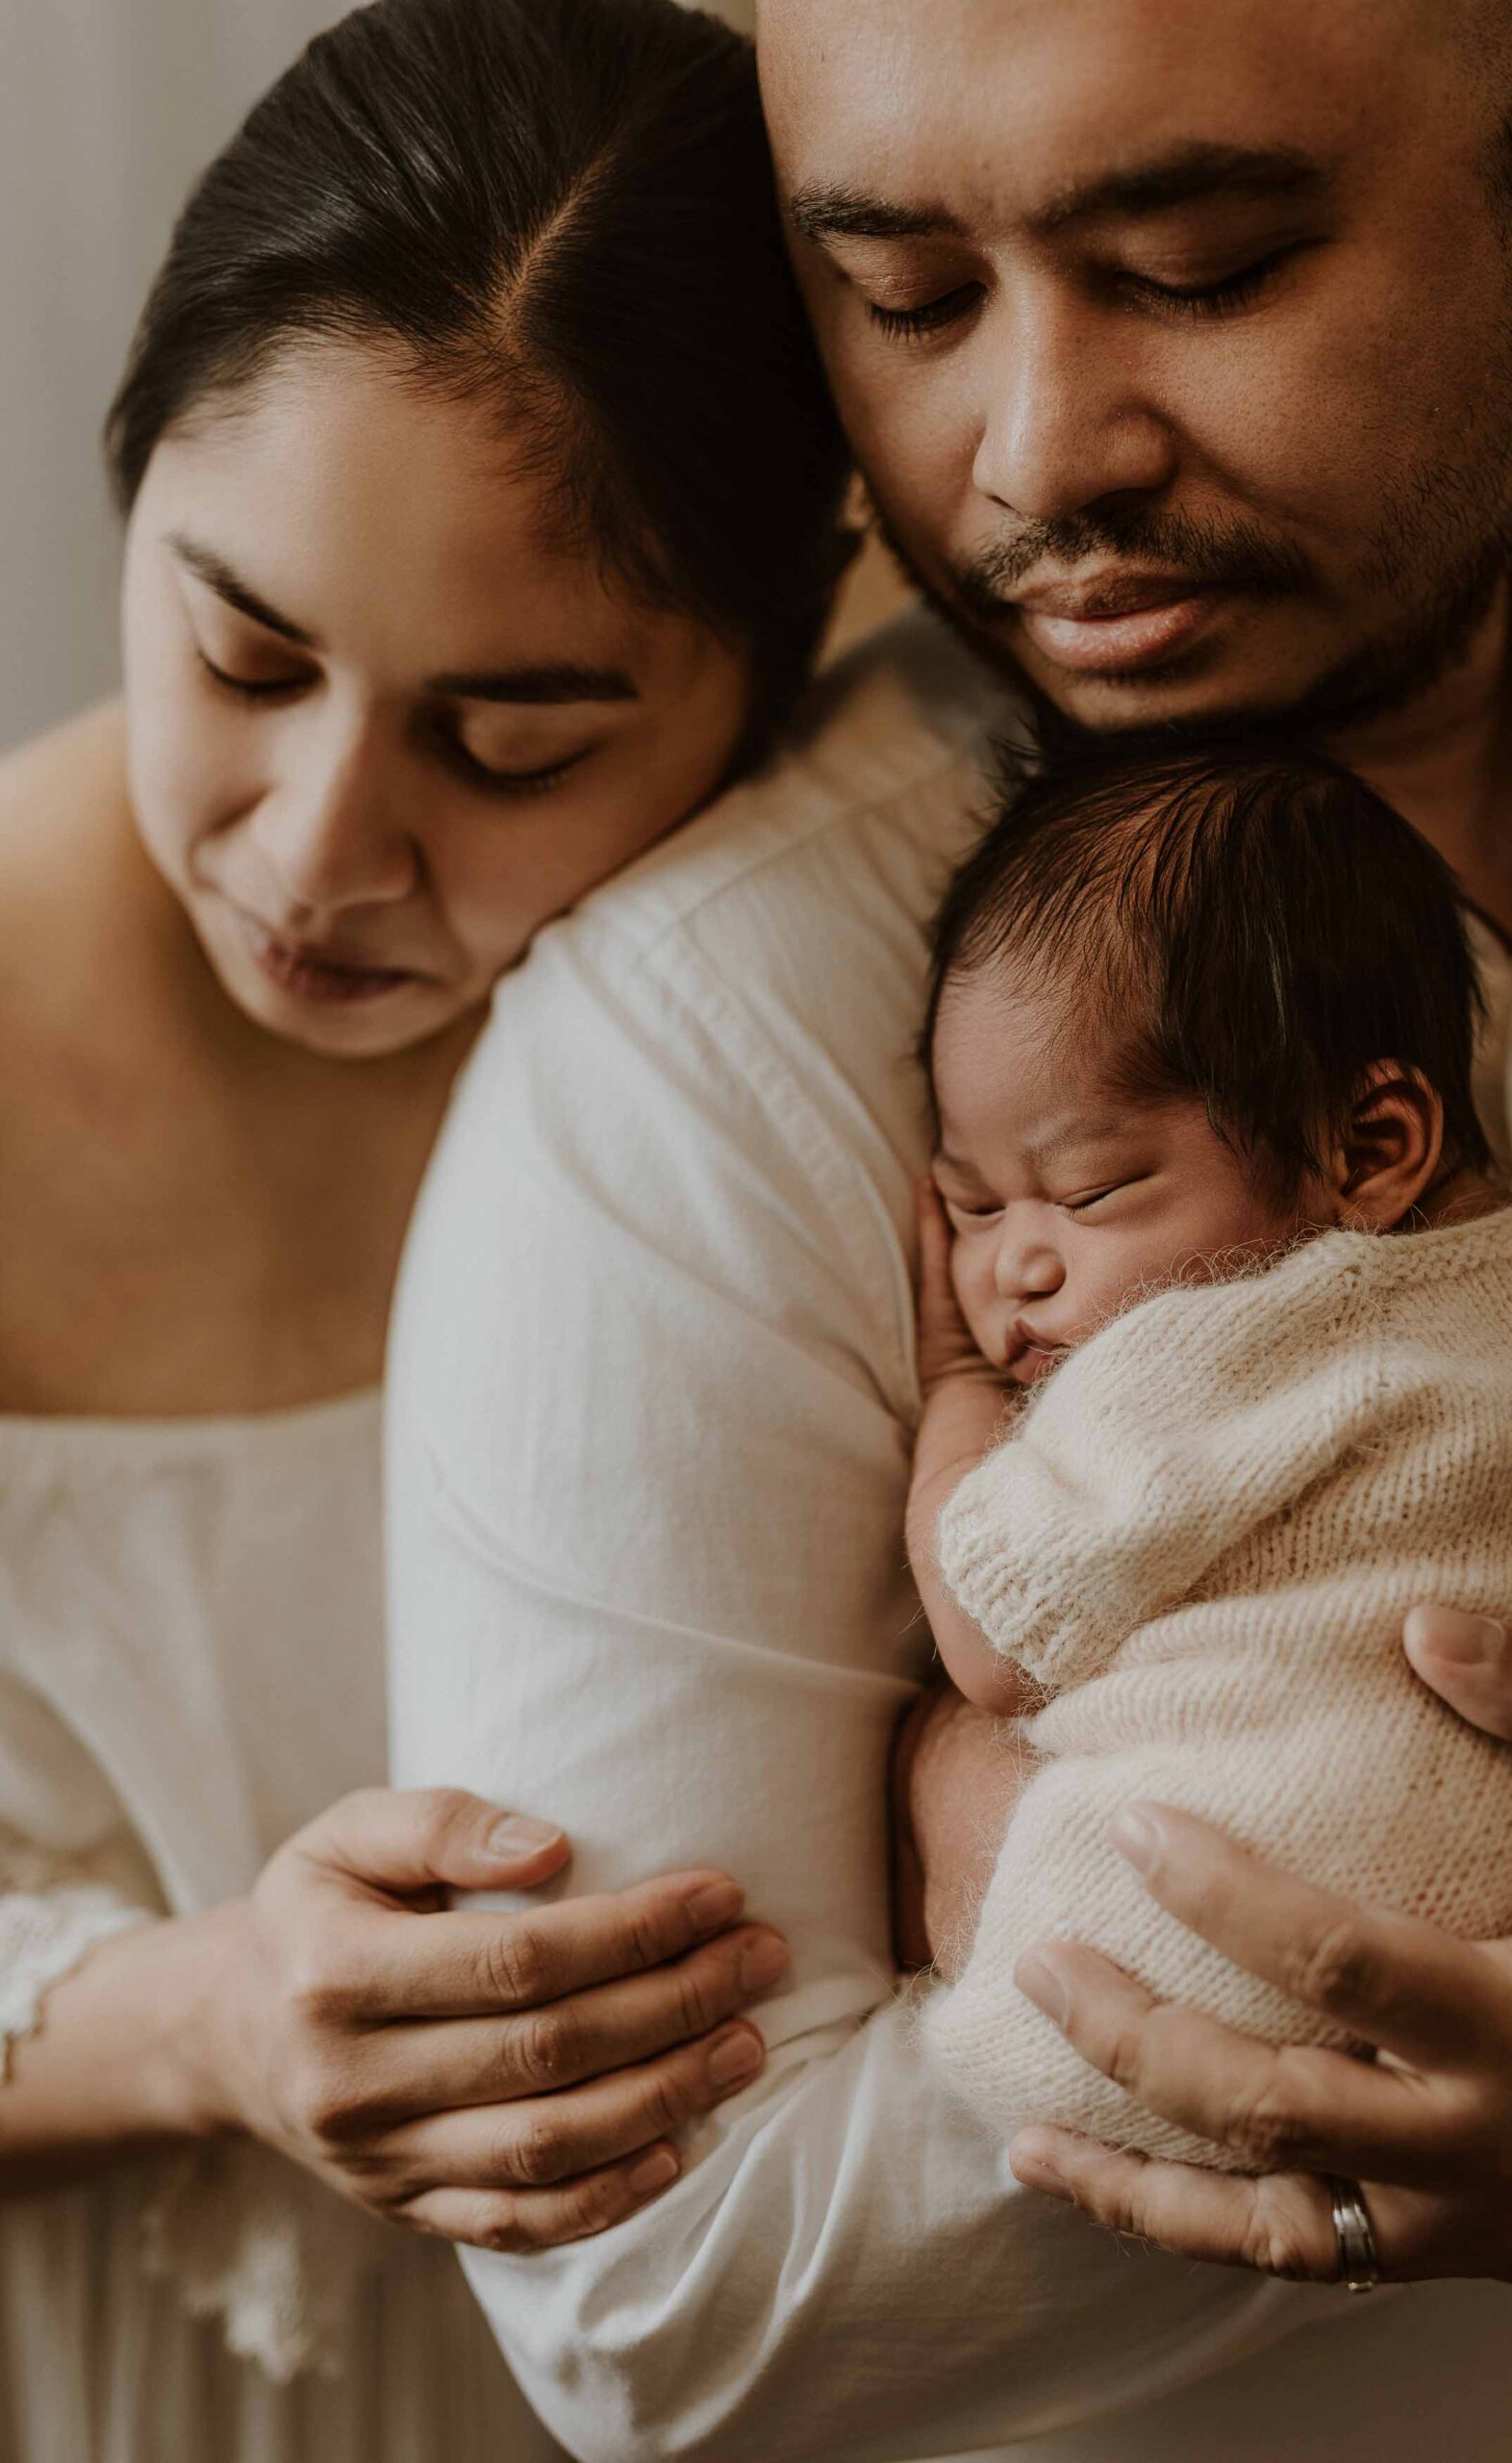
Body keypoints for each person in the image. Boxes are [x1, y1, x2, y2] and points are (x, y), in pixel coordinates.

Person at [387, 0, 1512, 2457]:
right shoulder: (695, 1057)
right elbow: (662, 2294)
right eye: (909, 300)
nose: (1035, 455)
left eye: (1195, 263)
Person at [0, 0, 849, 2453]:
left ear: (768, 692)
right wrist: (205, 2014)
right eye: (240, 650)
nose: (314, 854)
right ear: (130, 469)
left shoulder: (826, 1016)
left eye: (512, 744)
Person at [905, 738, 1512, 2157]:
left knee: (931, 1749)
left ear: (1367, 1149)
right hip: (1497, 1943)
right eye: (970, 1209)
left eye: (1087, 1189)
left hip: (1165, 1967)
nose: (1014, 1271)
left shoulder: (1217, 1337)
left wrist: (950, 1398)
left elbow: (993, 1633)